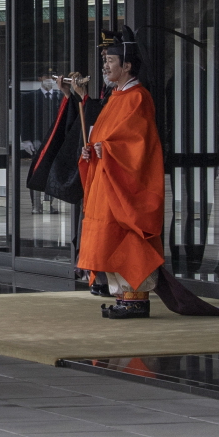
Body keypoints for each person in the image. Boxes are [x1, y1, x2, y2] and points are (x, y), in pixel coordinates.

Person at [77, 27, 164, 320]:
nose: (105, 65)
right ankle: (120, 296)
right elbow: (103, 136)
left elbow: (138, 143)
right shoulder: (116, 96)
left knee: (126, 236)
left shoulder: (138, 97)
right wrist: (91, 151)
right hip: (107, 180)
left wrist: (109, 150)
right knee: (108, 238)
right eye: (104, 59)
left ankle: (135, 299)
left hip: (124, 184)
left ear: (127, 65)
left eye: (110, 60)